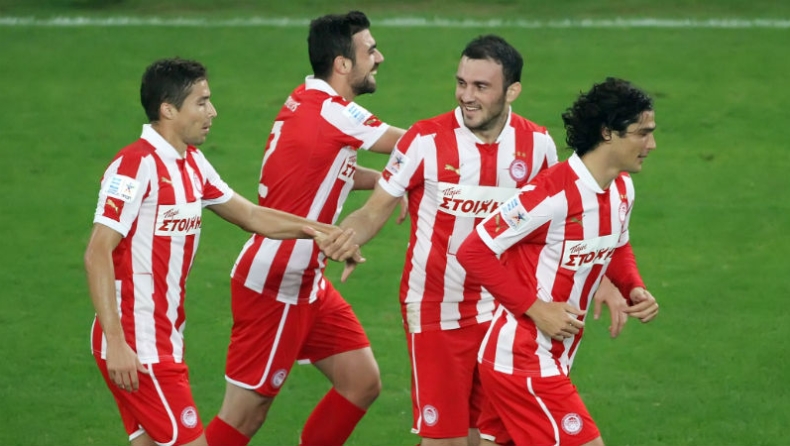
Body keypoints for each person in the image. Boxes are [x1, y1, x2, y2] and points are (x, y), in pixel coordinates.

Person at [321, 34, 575, 446]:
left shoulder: (538, 146)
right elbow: (374, 209)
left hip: (505, 312)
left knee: (492, 438)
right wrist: (346, 238)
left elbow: (559, 226)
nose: (466, 96)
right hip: (436, 311)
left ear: (512, 91)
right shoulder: (424, 140)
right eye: (461, 83)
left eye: (480, 86)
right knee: (445, 441)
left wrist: (607, 280)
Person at [84, 58, 351, 446]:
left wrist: (322, 232)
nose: (213, 112)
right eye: (202, 102)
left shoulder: (192, 163)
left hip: (160, 338)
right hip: (138, 345)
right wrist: (118, 343)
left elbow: (251, 215)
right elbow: (97, 253)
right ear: (168, 110)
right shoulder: (134, 167)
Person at [204, 11, 406, 446]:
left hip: (307, 282)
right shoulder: (335, 111)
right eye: (370, 51)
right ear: (342, 64)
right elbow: (416, 145)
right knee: (244, 416)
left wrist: (383, 182)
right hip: (278, 285)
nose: (379, 58)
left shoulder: (306, 97)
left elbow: (322, 169)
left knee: (361, 382)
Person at [455, 77, 661, 446]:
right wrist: (536, 309)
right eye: (642, 133)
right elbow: (473, 250)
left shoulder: (621, 188)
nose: (651, 144)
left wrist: (633, 286)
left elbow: (617, 246)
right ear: (607, 133)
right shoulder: (549, 194)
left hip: (551, 356)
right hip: (523, 359)